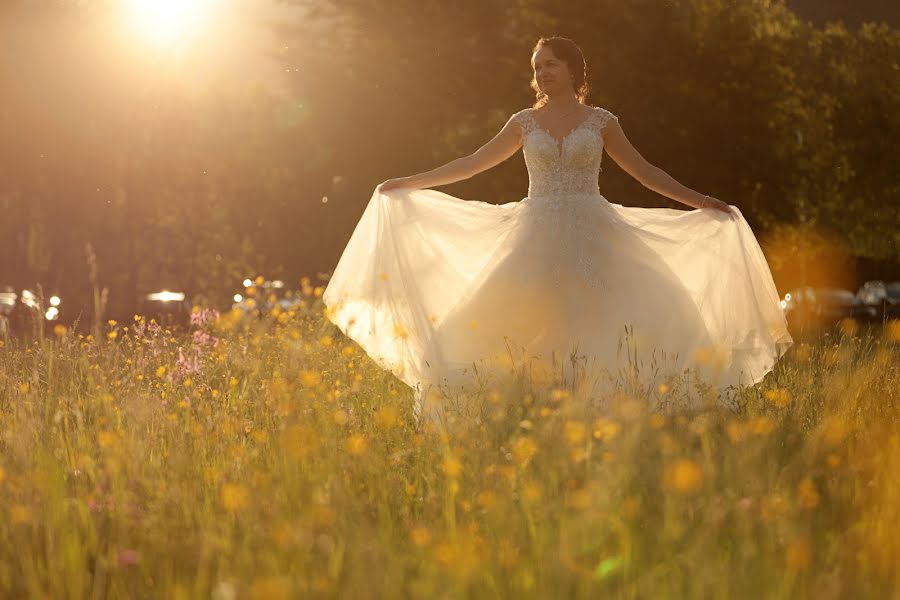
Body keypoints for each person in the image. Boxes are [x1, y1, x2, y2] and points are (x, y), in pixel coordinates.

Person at [323, 36, 793, 427]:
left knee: (606, 322)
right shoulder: (524, 123)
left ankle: (607, 416)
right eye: (536, 67)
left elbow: (647, 172)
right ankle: (529, 413)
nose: (541, 73)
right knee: (514, 321)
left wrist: (701, 201)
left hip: (595, 229)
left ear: (572, 68)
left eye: (549, 64)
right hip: (536, 233)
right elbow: (471, 164)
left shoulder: (602, 121)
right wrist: (407, 181)